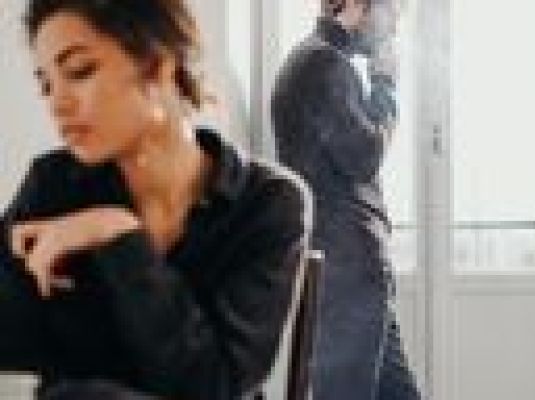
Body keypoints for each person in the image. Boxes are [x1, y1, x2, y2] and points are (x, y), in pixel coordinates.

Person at [0, 0, 311, 399]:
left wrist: (119, 237)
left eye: (79, 71)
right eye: (46, 84)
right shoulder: (55, 183)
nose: (57, 104)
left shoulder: (268, 203)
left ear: (159, 66)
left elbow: (214, 385)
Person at [270, 0, 420, 399]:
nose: (393, 29)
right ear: (356, 4)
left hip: (347, 272)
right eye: (390, 14)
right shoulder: (324, 64)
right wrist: (384, 86)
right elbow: (365, 157)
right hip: (348, 275)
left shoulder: (313, 61)